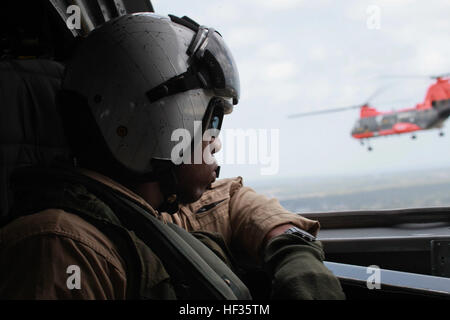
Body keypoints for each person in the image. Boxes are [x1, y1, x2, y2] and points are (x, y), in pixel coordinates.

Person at [0, 12, 344, 299]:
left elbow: (231, 201)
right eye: (211, 122)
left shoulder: (144, 212)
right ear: (161, 127)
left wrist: (291, 248)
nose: (217, 143)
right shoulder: (63, 249)